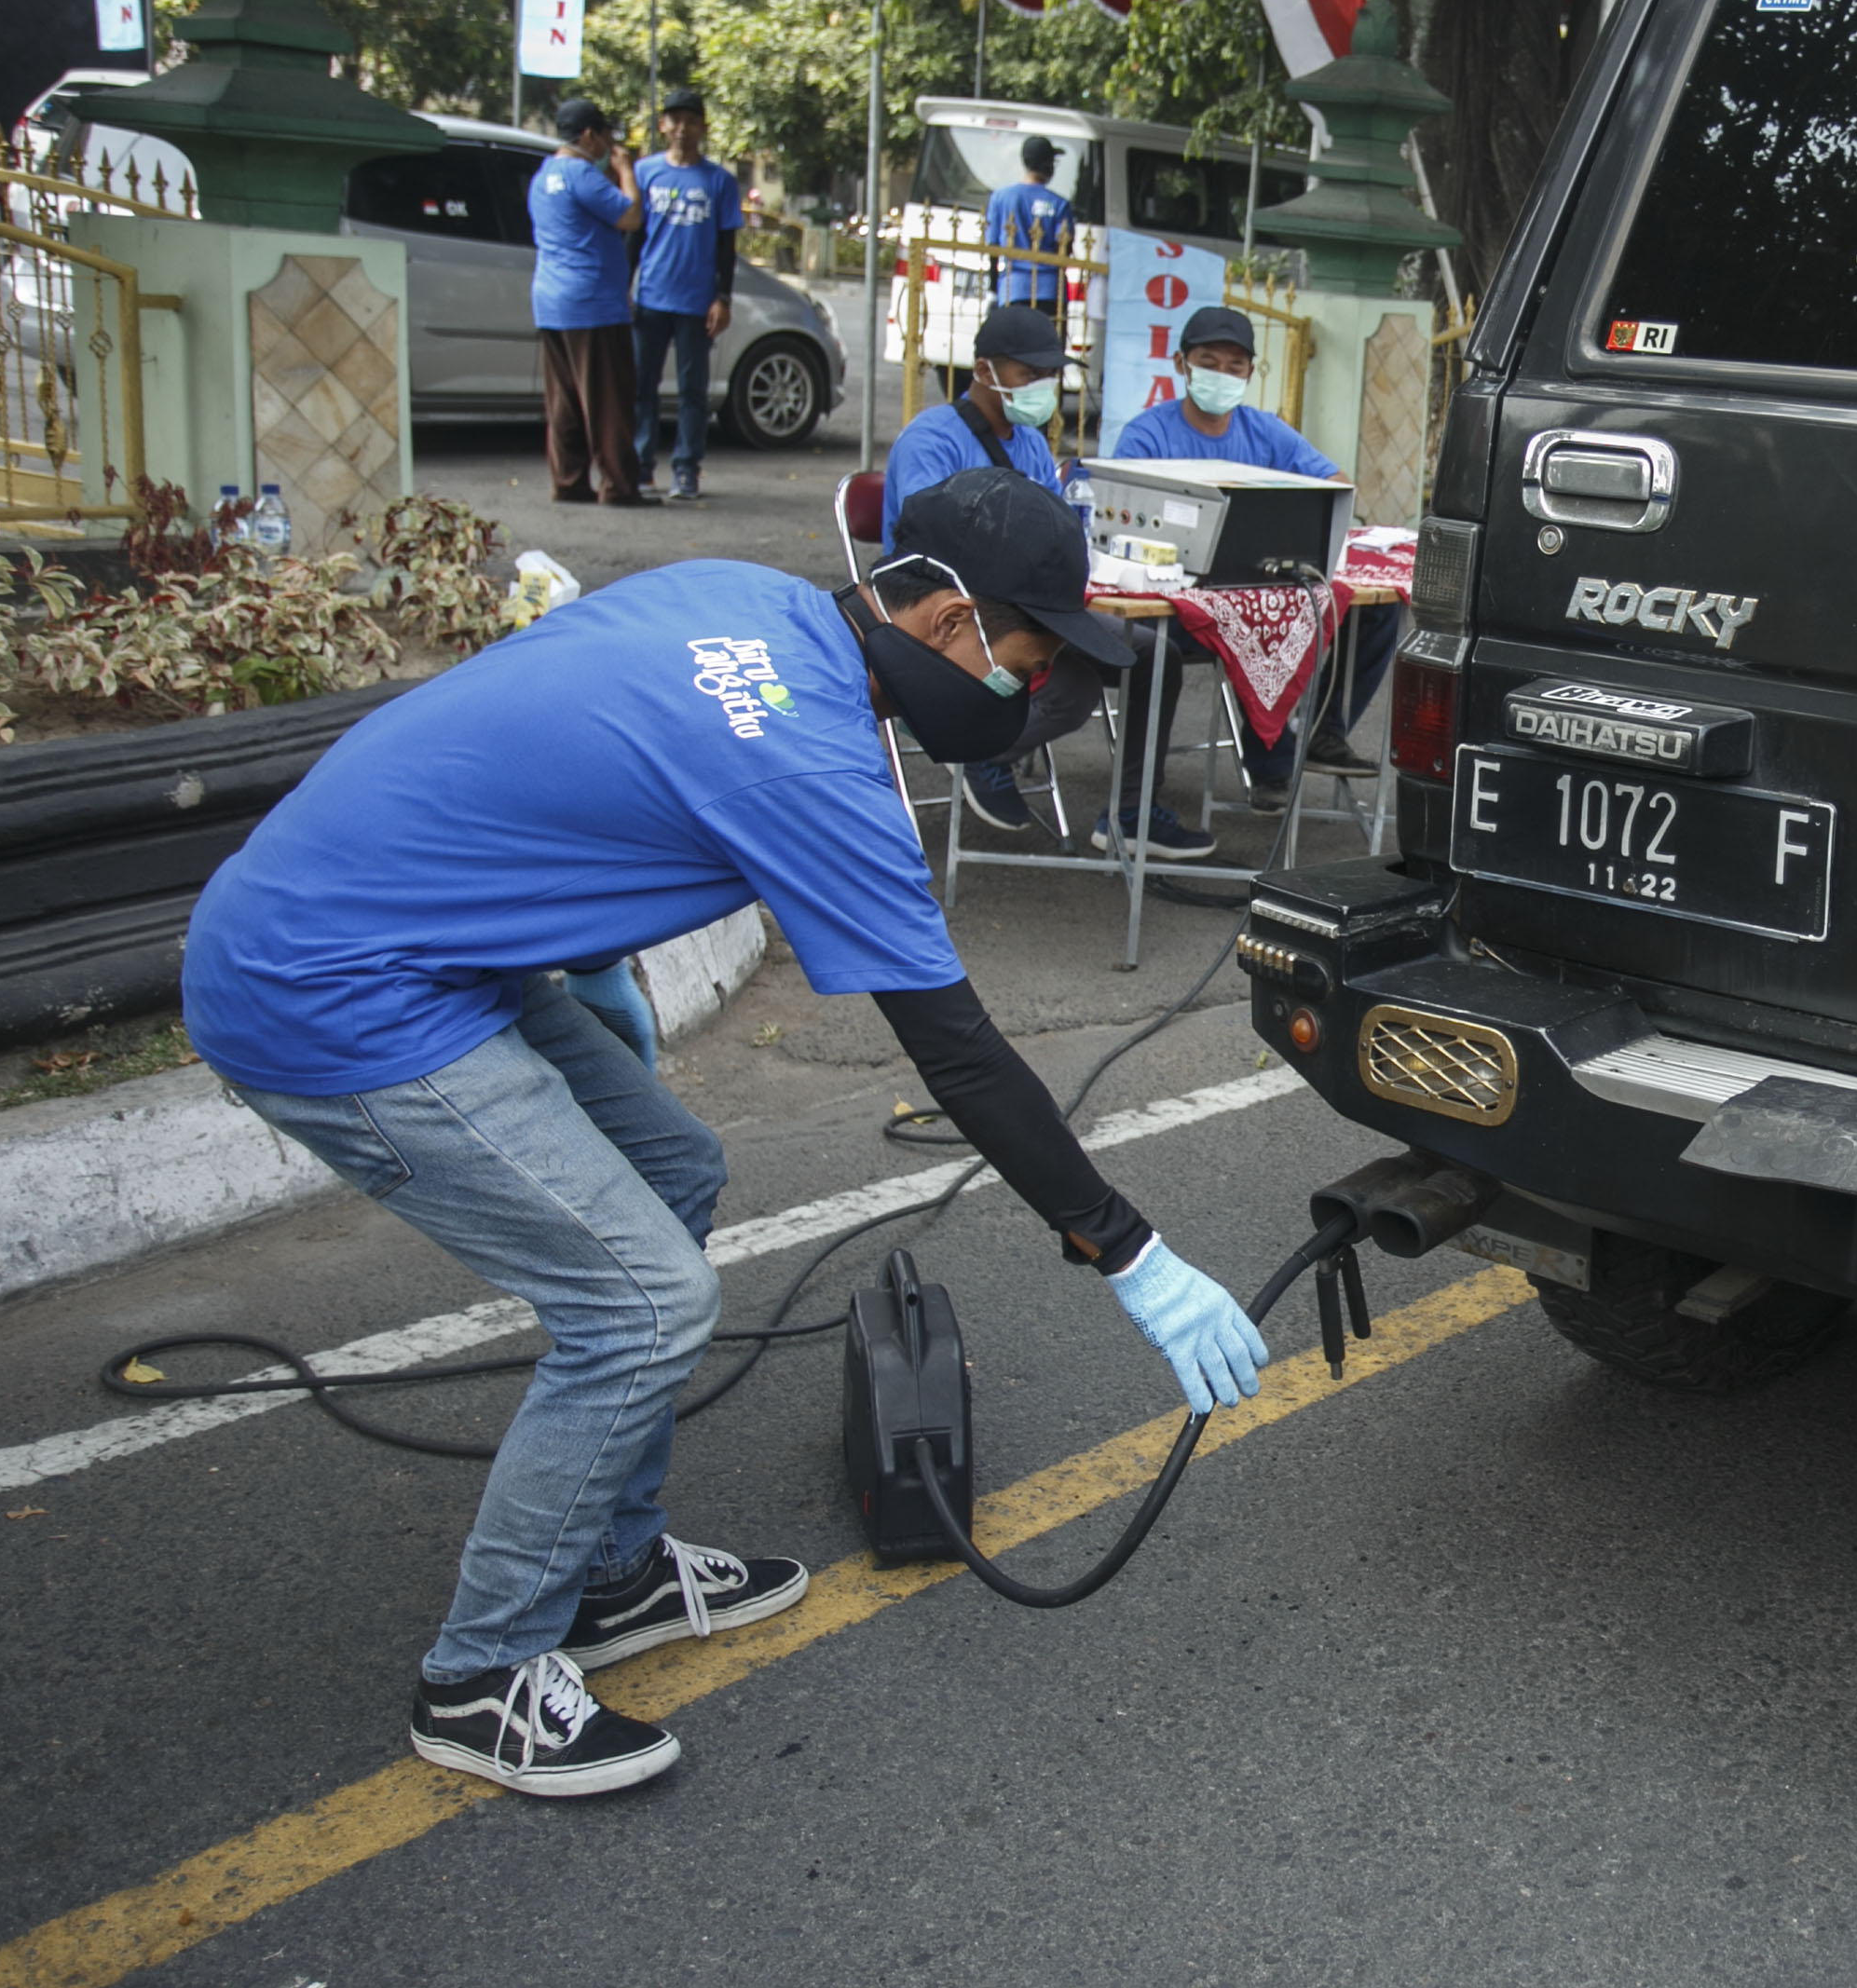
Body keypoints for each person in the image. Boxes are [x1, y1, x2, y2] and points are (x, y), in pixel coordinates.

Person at [182, 468, 1270, 1800]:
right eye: (1030, 665)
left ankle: (614, 1565)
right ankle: (481, 1674)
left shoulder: (746, 601)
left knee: (676, 1166)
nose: (1033, 704)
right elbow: (961, 1053)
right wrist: (1128, 1247)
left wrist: (576, 967)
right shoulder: (810, 758)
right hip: (332, 989)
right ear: (948, 628)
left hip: (413, 937)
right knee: (641, 1301)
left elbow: (547, 750)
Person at [878, 303, 1206, 861]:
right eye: (1028, 375)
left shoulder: (1028, 440)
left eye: (1050, 376)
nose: (1043, 387)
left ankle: (1130, 812)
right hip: (958, 609)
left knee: (1152, 655)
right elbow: (925, 544)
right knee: (1069, 685)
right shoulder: (931, 439)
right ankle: (985, 751)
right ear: (984, 371)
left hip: (1033, 608)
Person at [1110, 303, 1398, 815]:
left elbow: (1334, 486)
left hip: (1264, 587)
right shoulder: (1146, 435)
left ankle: (1323, 734)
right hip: (1177, 602)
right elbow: (1125, 518)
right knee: (1249, 630)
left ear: (1249, 373)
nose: (1221, 375)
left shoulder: (1264, 430)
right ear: (1182, 364)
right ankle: (1268, 765)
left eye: (1234, 366)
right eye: (1209, 361)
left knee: (1380, 607)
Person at [528, 96, 646, 506]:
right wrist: (627, 171)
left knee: (564, 398)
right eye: (605, 135)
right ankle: (618, 485)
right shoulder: (582, 174)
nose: (607, 144)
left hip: (550, 300)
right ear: (588, 135)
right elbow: (630, 216)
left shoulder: (543, 177)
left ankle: (569, 479)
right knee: (608, 399)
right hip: (592, 301)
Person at [631, 89, 743, 502]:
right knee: (642, 386)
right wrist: (626, 285)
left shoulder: (719, 181)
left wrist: (723, 298)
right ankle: (640, 467)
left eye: (691, 121)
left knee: (692, 391)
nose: (682, 129)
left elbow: (727, 247)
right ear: (663, 125)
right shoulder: (646, 174)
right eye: (674, 120)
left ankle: (686, 470)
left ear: (702, 128)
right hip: (650, 298)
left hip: (696, 303)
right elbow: (634, 237)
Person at [985, 138, 1074, 321]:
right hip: (1050, 291)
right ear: (1048, 164)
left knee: (1013, 349)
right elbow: (1065, 250)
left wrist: (993, 290)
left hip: (1012, 289)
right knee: (1046, 349)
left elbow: (992, 247)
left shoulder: (1000, 198)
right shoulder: (1059, 204)